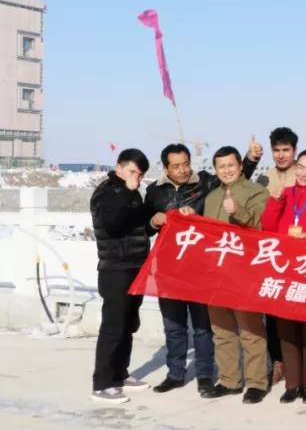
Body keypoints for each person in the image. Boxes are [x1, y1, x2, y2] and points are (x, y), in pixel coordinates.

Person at [144, 141, 259, 397]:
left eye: (186, 164)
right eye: (176, 166)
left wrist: (251, 158)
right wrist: (154, 220)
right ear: (166, 168)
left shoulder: (206, 183)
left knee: (203, 326)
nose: (183, 170)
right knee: (173, 326)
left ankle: (205, 375)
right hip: (168, 268)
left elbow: (234, 176)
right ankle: (175, 374)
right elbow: (144, 225)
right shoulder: (154, 192)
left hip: (200, 267)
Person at [261, 149, 306, 404]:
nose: (303, 173)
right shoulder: (285, 193)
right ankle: (292, 384)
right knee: (286, 329)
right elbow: (268, 226)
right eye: (300, 167)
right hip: (284, 269)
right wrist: (275, 201)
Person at [202, 146, 271, 403]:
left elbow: (261, 227)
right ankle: (229, 380)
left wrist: (237, 210)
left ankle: (256, 383)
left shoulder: (256, 192)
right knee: (222, 330)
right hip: (216, 272)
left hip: (245, 272)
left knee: (250, 330)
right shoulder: (211, 197)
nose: (227, 170)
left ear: (241, 165)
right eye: (221, 166)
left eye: (231, 165)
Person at [90, 149, 153, 405]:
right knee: (113, 326)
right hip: (115, 269)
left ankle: (120, 374)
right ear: (119, 168)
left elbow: (139, 227)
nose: (136, 177)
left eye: (140, 174)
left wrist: (154, 223)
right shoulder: (106, 192)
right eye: (132, 171)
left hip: (135, 266)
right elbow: (112, 223)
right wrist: (128, 191)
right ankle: (102, 384)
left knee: (128, 324)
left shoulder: (132, 193)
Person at [257, 126, 300, 386]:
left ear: (294, 150)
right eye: (277, 150)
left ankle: (299, 363)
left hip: (298, 256)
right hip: (272, 255)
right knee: (271, 313)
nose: (281, 155)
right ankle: (277, 361)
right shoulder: (265, 178)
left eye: (286, 150)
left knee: (297, 309)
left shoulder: (304, 174)